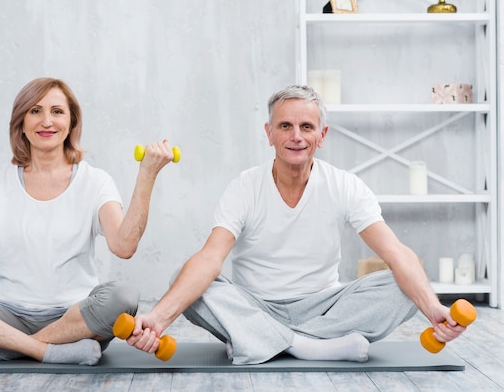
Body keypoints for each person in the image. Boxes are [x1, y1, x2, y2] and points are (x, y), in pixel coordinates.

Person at [125, 84, 466, 365]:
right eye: (285, 126)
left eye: (307, 127)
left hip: (324, 307)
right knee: (186, 281)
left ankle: (267, 342)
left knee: (402, 284)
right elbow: (211, 259)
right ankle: (311, 347)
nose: (296, 136)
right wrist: (159, 318)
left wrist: (433, 309)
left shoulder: (344, 185)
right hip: (255, 305)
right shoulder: (245, 187)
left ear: (322, 135)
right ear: (269, 133)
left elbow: (395, 252)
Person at [0, 77, 175, 365]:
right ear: (20, 122)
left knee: (124, 295)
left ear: (71, 122)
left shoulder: (95, 181)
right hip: (7, 315)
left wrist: (147, 174)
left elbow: (124, 245)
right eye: (35, 111)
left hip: (76, 318)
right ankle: (49, 351)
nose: (46, 121)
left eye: (57, 111)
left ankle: (5, 347)